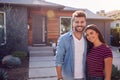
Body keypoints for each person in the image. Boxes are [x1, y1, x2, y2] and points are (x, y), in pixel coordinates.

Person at [55, 10, 87, 80]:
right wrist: (59, 77)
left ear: (85, 23)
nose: (79, 24)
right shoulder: (63, 39)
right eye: (76, 22)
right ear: (72, 23)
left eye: (82, 22)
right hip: (68, 77)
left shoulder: (87, 39)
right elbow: (58, 60)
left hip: (84, 77)